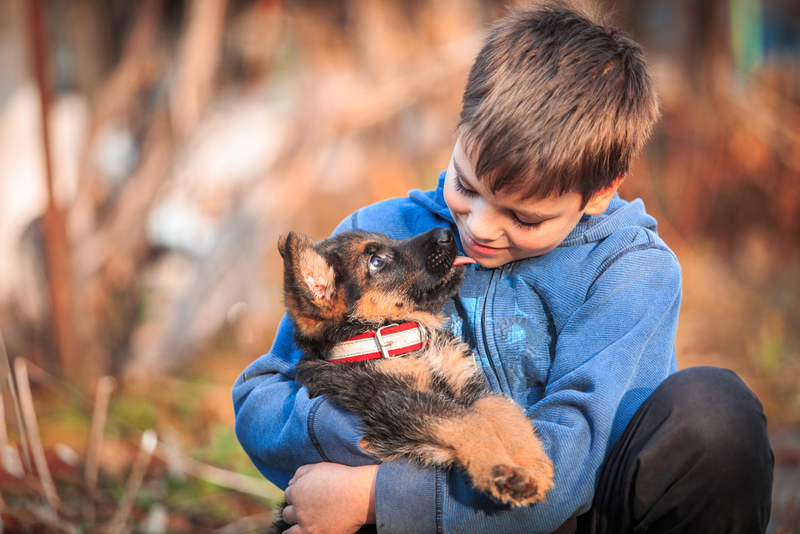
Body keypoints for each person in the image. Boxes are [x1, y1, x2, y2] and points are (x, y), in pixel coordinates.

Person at [232, 1, 774, 532]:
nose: (481, 228)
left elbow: (567, 464)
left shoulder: (630, 272)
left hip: (575, 510)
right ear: (459, 129)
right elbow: (262, 397)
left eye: (524, 216)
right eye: (466, 185)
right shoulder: (378, 231)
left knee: (715, 414)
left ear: (599, 193)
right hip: (430, 495)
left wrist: (376, 495)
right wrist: (369, 430)